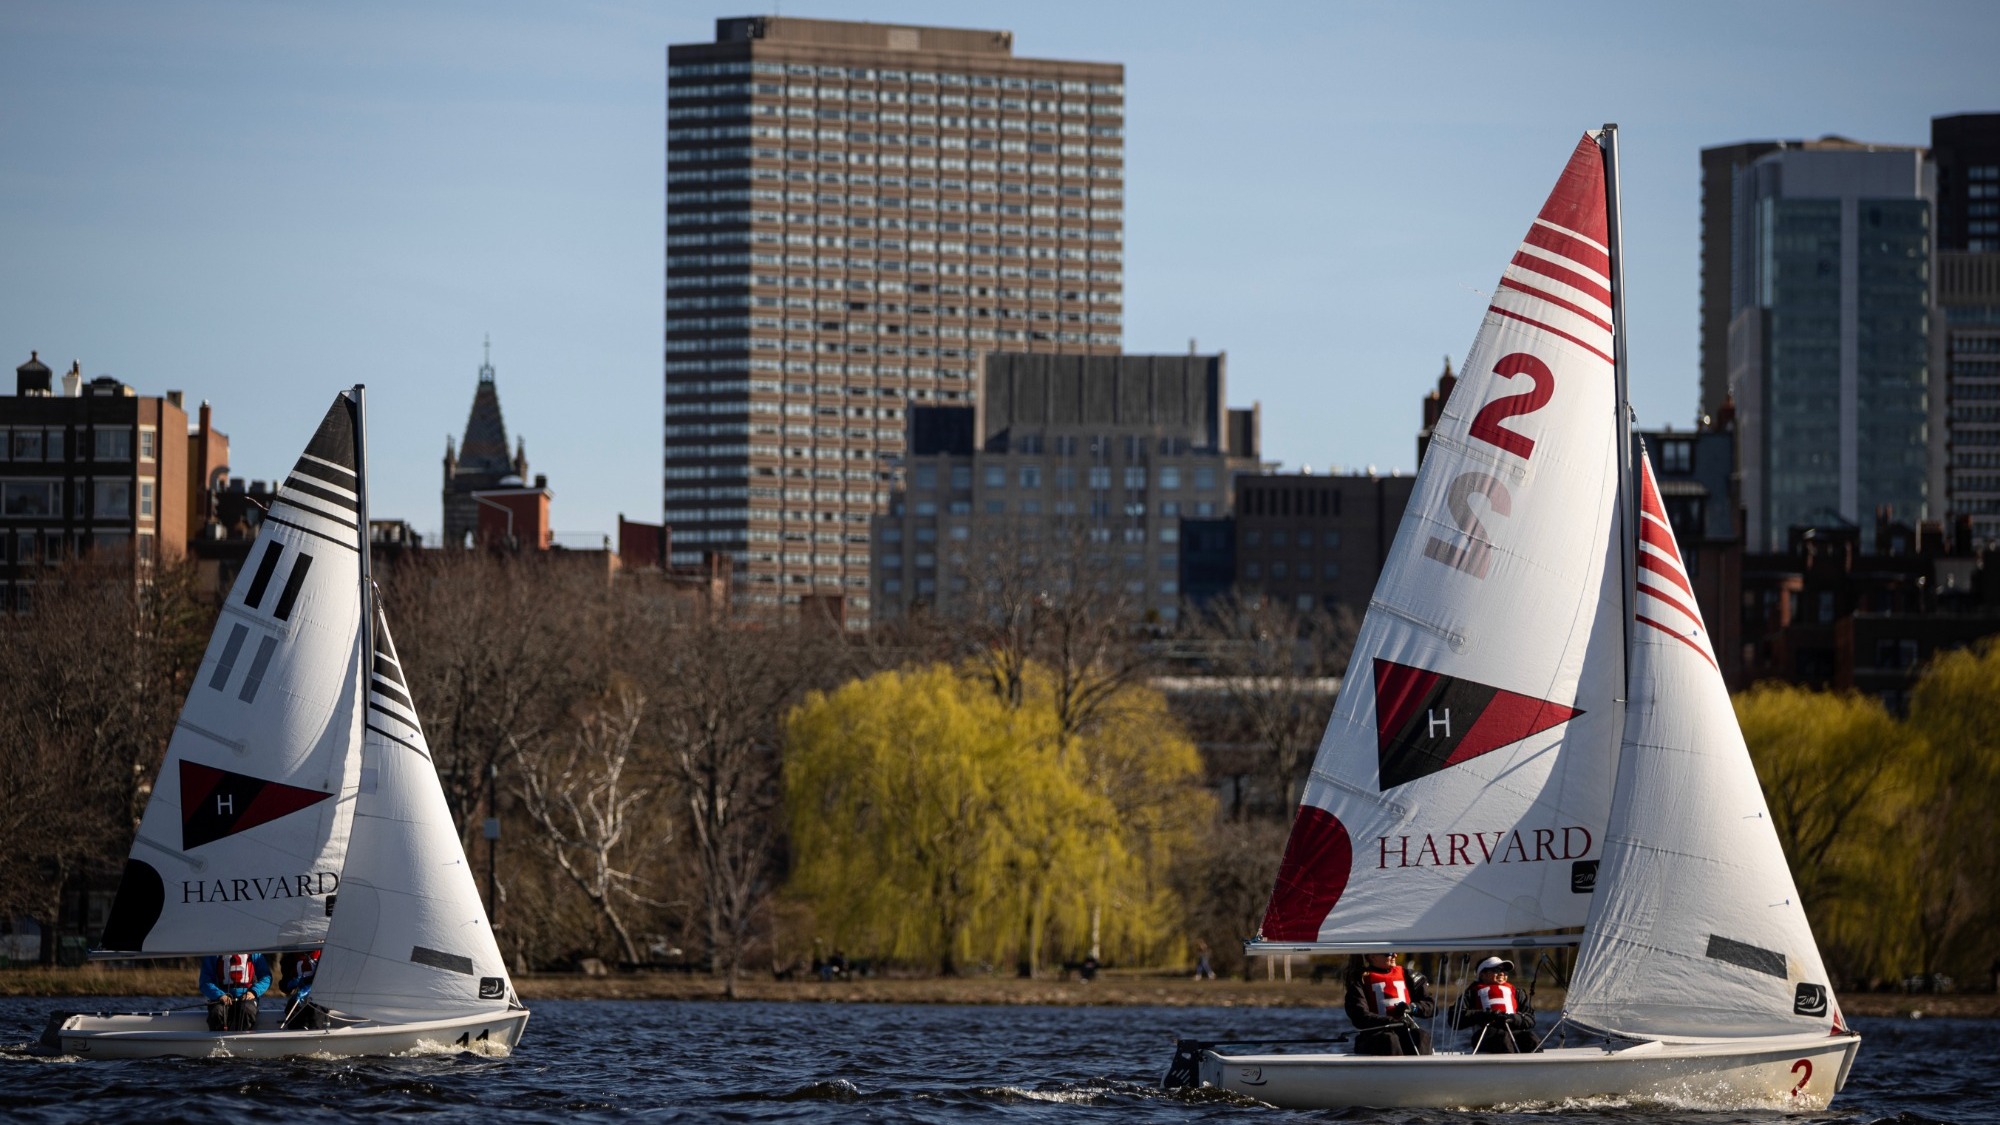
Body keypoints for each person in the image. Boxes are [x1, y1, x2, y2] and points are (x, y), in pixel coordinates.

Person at [1344, 951, 1435, 1055]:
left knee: (1421, 1036)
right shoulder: (1360, 980)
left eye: (1395, 952)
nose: (1395, 955)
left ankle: (1423, 1069)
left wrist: (1412, 1007)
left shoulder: (1408, 976)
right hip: (1375, 1037)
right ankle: (1393, 1069)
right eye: (1388, 953)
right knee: (1390, 1039)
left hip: (1405, 1032)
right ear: (1372, 956)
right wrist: (1391, 1021)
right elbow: (1359, 1016)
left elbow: (1431, 1006)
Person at [1449, 956, 1537, 1053]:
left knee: (1531, 1039)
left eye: (1504, 970)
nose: (1501, 973)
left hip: (1513, 1032)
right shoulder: (1471, 993)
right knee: (1501, 1038)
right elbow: (1454, 1019)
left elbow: (1530, 1018)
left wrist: (1512, 1018)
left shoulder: (1517, 993)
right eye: (1496, 970)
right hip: (1487, 1035)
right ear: (1482, 974)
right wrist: (1486, 1015)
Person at [199, 952, 271, 1032]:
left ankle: (243, 1041)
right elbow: (205, 982)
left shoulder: (254, 953)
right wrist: (219, 995)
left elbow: (266, 977)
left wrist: (253, 992)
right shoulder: (214, 952)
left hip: (247, 997)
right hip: (221, 998)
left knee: (246, 1010)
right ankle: (218, 1042)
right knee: (216, 1012)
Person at [278, 949, 323, 1030]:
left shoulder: (323, 954)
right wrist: (290, 984)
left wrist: (310, 985)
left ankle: (314, 1035)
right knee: (293, 1007)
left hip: (320, 997)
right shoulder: (290, 958)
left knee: (315, 1008)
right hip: (299, 997)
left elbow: (327, 977)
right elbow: (284, 984)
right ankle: (296, 1035)